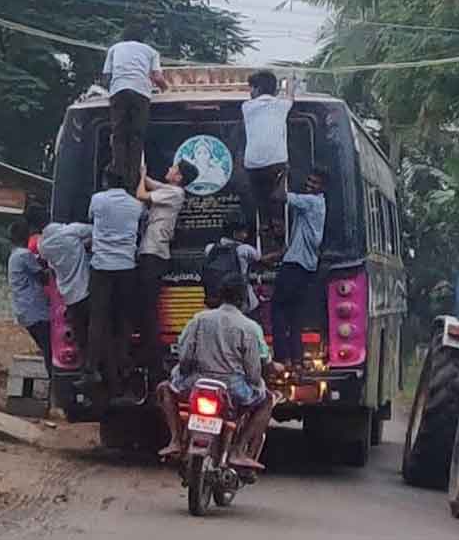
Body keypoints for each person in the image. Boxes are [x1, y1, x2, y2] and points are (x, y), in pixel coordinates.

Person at [156, 273, 282, 467]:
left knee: (165, 388)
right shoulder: (250, 327)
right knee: (266, 399)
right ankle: (238, 450)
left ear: (221, 295)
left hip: (195, 383)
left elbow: (185, 355)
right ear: (243, 299)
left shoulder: (199, 319)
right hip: (233, 389)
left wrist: (186, 374)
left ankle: (175, 440)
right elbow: (254, 370)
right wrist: (257, 382)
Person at [136, 160, 199, 377]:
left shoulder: (175, 194)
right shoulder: (171, 190)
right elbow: (150, 184)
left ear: (179, 177)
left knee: (148, 306)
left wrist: (140, 181)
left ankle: (151, 353)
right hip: (152, 250)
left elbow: (142, 195)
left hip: (153, 251)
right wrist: (142, 172)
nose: (168, 170)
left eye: (173, 168)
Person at [88, 168, 144, 395]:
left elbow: (91, 219)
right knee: (123, 319)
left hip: (101, 267)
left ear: (105, 182)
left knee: (98, 319)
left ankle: (92, 365)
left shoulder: (98, 199)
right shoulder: (136, 205)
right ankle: (123, 362)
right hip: (126, 267)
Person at [102, 20, 169, 194]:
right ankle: (133, 178)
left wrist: (109, 91)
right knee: (136, 136)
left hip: (119, 91)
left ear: (124, 36)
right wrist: (166, 90)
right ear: (143, 39)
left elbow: (107, 76)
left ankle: (118, 172)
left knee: (119, 134)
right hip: (141, 94)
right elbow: (157, 77)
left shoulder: (114, 49)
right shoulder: (151, 51)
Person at [270, 167, 327, 368]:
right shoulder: (317, 204)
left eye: (315, 183)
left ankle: (280, 356)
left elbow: (278, 196)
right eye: (309, 181)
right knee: (294, 315)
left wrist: (283, 174)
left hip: (295, 264)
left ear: (322, 188)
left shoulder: (310, 202)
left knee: (276, 308)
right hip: (307, 267)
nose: (309, 185)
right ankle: (296, 358)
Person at [242, 70, 294, 234]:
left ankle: (264, 223)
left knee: (259, 197)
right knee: (277, 197)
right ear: (274, 90)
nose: (250, 92)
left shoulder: (247, 107)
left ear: (257, 89)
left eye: (252, 88)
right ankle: (278, 222)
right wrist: (290, 79)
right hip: (277, 164)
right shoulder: (282, 105)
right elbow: (290, 95)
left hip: (253, 164)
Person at [39, 221, 94, 354]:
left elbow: (51, 267)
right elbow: (96, 231)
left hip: (69, 298)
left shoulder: (45, 248)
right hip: (87, 291)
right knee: (96, 330)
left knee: (81, 335)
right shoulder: (71, 230)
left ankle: (86, 367)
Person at [7, 221, 52, 376]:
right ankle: (53, 380)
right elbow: (43, 278)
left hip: (25, 310)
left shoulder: (14, 255)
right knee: (49, 348)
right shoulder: (24, 255)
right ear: (25, 236)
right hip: (35, 311)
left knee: (46, 346)